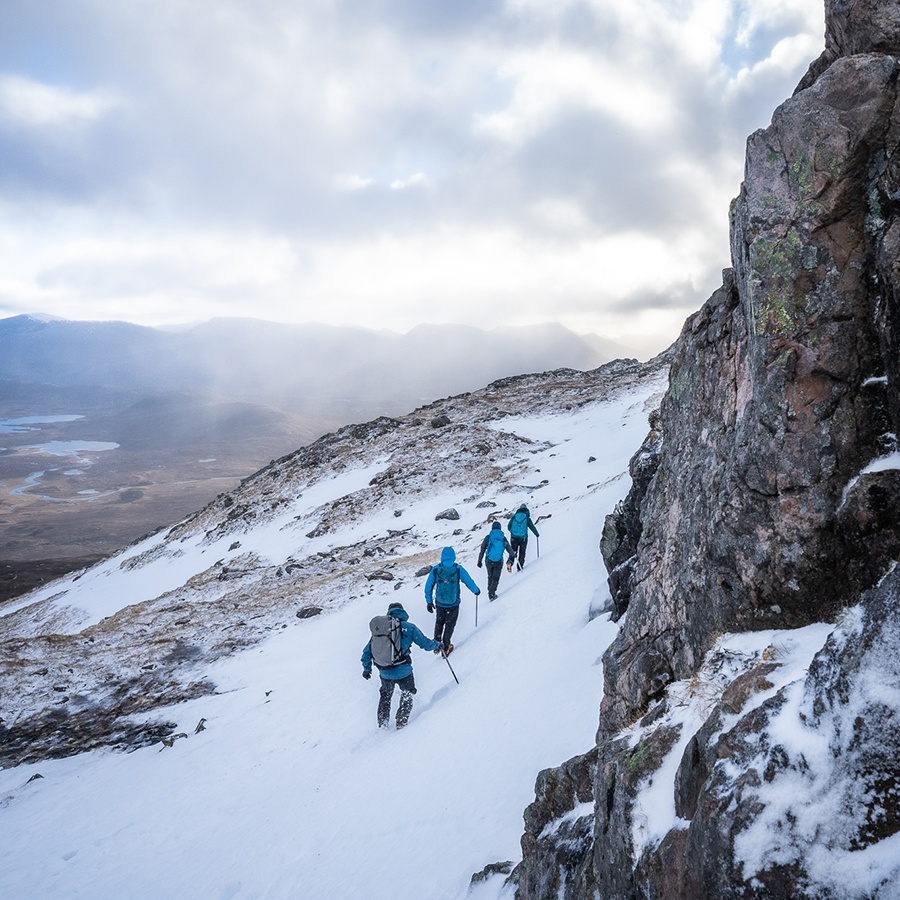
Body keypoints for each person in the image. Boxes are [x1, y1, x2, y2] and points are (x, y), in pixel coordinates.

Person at [361, 601, 440, 729]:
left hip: (385, 672)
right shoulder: (409, 627)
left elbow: (366, 652)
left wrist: (367, 669)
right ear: (402, 612)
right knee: (407, 693)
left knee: (385, 696)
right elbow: (425, 644)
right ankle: (401, 720)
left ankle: (382, 724)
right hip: (404, 671)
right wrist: (437, 644)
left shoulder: (381, 631)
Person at [424, 546, 480, 655]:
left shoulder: (436, 569)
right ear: (453, 556)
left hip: (440, 603)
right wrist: (476, 590)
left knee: (439, 622)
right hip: (453, 603)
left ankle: (436, 645)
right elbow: (468, 581)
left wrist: (429, 602)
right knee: (449, 625)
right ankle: (446, 647)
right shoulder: (458, 569)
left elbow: (428, 586)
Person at [477, 521, 513, 601]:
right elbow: (509, 549)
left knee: (490, 576)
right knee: (496, 578)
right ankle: (492, 593)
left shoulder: (488, 537)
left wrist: (479, 560)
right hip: (499, 561)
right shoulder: (503, 538)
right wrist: (512, 555)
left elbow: (482, 549)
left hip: (488, 560)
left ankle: (490, 592)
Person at [507, 504, 540, 571]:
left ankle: (509, 564)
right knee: (522, 552)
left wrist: (513, 533)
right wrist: (537, 534)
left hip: (514, 538)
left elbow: (509, 526)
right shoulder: (526, 518)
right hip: (523, 538)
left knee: (513, 551)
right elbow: (532, 527)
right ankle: (520, 567)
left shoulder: (514, 516)